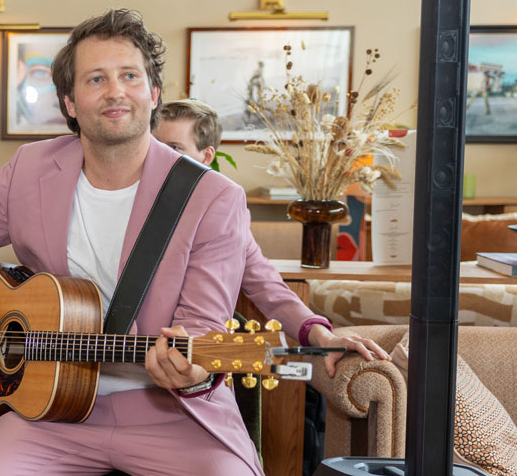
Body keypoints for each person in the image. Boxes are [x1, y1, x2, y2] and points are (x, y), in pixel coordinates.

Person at [0, 10, 384, 476]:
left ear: (154, 91)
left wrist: (200, 365)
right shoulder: (31, 170)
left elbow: (202, 327)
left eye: (130, 75)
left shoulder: (210, 197)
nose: (116, 90)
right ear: (69, 102)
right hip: (56, 405)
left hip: (168, 407)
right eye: (96, 79)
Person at [151, 98, 387, 376]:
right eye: (155, 147)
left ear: (207, 156)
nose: (160, 158)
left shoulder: (219, 216)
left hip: (178, 366)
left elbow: (266, 284)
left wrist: (322, 336)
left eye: (174, 148)